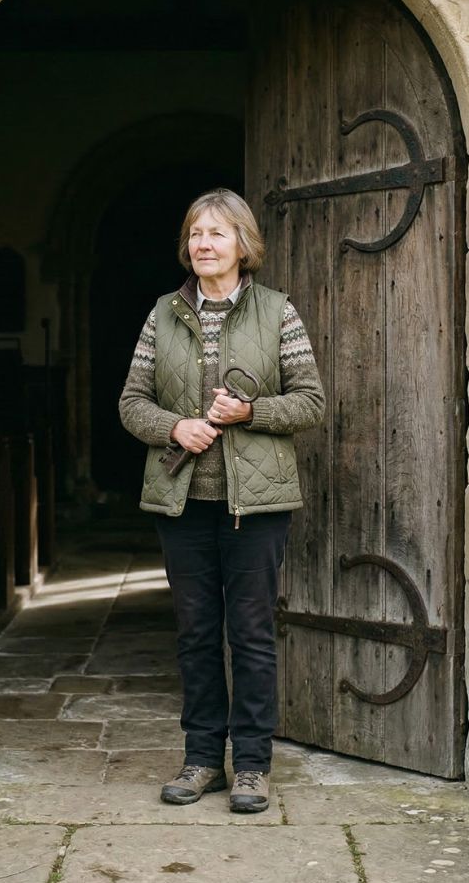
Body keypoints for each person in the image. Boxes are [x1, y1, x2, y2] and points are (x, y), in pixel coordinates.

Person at [118, 188, 325, 813]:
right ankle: (203, 758)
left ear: (243, 245)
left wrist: (251, 411)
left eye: (216, 234)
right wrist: (174, 428)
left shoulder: (277, 312)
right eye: (195, 235)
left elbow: (311, 401)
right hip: (184, 505)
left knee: (253, 634)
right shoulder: (161, 315)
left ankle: (254, 766)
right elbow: (132, 403)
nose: (203, 245)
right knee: (197, 634)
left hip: (255, 506)